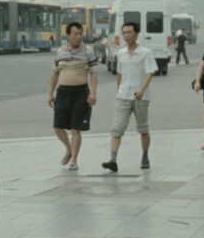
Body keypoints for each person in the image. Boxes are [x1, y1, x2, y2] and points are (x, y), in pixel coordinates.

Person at [102, 22, 156, 172]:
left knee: (143, 128)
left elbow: (149, 72)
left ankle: (145, 155)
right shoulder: (121, 53)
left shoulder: (145, 53)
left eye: (129, 32)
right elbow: (119, 74)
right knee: (117, 128)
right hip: (123, 96)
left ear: (136, 34)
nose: (127, 35)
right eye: (124, 32)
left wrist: (142, 89)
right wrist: (119, 91)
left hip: (141, 97)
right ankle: (113, 160)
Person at [48, 22, 98, 171]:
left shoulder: (88, 51)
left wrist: (93, 93)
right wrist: (50, 93)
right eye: (75, 34)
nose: (78, 37)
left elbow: (94, 74)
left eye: (80, 34)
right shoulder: (61, 51)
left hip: (80, 93)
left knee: (76, 128)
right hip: (63, 92)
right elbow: (55, 73)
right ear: (68, 35)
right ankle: (69, 149)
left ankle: (74, 160)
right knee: (58, 126)